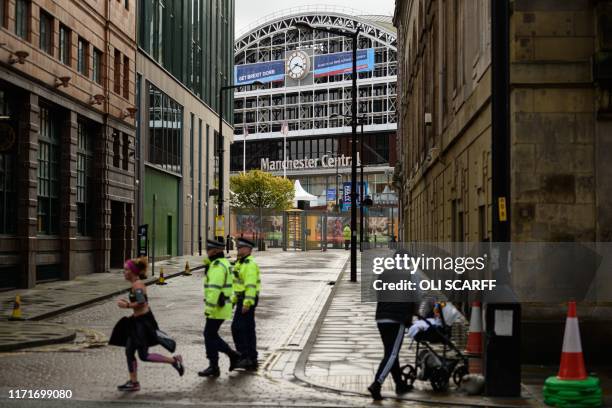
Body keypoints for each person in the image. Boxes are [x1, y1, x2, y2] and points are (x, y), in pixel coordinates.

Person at [109, 257, 184, 392]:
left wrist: (126, 305)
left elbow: (142, 302)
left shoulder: (137, 285)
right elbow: (141, 303)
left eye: (126, 269)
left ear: (132, 271)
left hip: (143, 323)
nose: (124, 272)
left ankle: (174, 361)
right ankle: (133, 382)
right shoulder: (135, 285)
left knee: (143, 355)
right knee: (129, 351)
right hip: (138, 321)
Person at [198, 239, 241, 377]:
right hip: (223, 305)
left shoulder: (217, 266)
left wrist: (209, 308)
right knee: (211, 334)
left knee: (209, 335)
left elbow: (214, 289)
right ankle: (216, 364)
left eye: (209, 249)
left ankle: (228, 357)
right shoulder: (224, 263)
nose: (207, 251)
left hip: (217, 306)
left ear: (215, 251)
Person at [367, 295, 415, 400]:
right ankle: (377, 384)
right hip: (397, 319)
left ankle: (399, 384)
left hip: (381, 318)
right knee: (392, 354)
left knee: (391, 353)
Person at [231, 237, 261, 370]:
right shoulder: (241, 263)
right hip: (242, 299)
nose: (238, 250)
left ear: (248, 249)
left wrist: (247, 303)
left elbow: (250, 286)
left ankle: (244, 356)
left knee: (237, 328)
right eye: (238, 248)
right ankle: (251, 358)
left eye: (240, 248)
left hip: (247, 299)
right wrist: (232, 301)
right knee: (248, 329)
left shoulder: (249, 264)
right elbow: (237, 286)